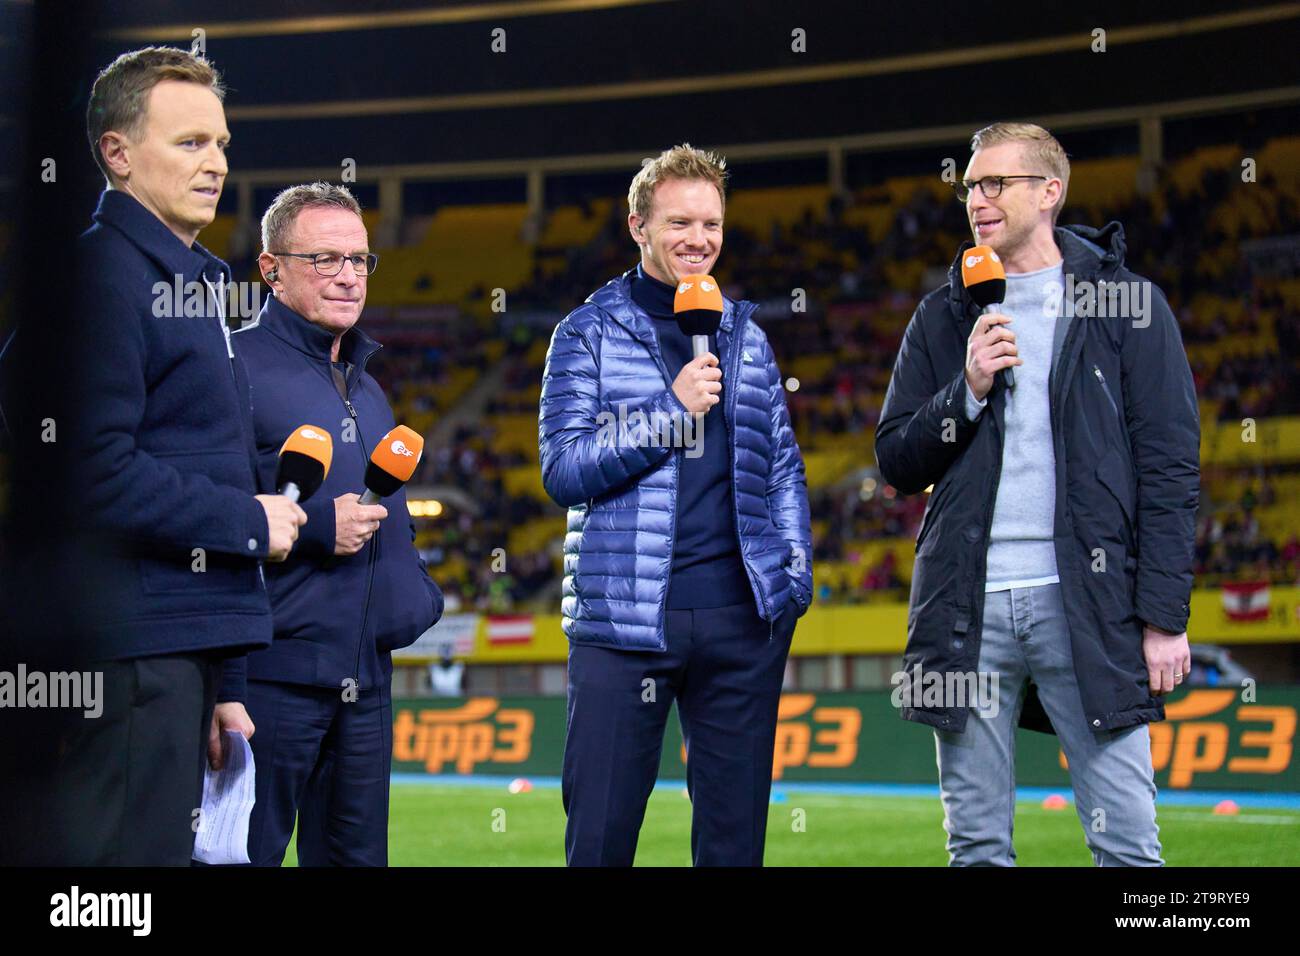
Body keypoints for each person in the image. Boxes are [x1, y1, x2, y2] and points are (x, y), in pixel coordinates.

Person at [875, 122, 1199, 866]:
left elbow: (1171, 469)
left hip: (1091, 603)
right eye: (970, 186)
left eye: (997, 183)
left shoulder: (1130, 307)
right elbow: (895, 458)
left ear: (1050, 192)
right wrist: (969, 390)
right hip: (966, 603)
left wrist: (1164, 617)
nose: (977, 200)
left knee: (1127, 846)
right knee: (977, 846)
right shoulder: (942, 312)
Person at [58, 46, 306, 865]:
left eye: (222, 143)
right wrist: (245, 520)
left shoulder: (188, 278)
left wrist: (223, 684)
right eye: (190, 143)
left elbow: (195, 458)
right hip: (127, 657)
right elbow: (85, 471)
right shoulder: (99, 279)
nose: (217, 164)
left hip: (174, 657)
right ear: (118, 154)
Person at [539, 144, 812, 866]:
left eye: (712, 224)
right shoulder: (585, 334)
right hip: (624, 625)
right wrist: (670, 411)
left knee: (734, 846)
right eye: (680, 223)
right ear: (638, 226)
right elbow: (564, 470)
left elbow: (783, 469)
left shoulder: (746, 336)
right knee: (598, 838)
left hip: (742, 620)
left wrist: (791, 583)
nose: (699, 240)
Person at [219, 182, 444, 866]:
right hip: (272, 677)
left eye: (359, 260)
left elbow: (384, 514)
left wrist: (418, 591)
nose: (348, 276)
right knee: (239, 856)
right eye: (324, 259)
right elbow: (199, 523)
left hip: (366, 679)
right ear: (270, 268)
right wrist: (314, 525)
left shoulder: (367, 383)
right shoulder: (231, 367)